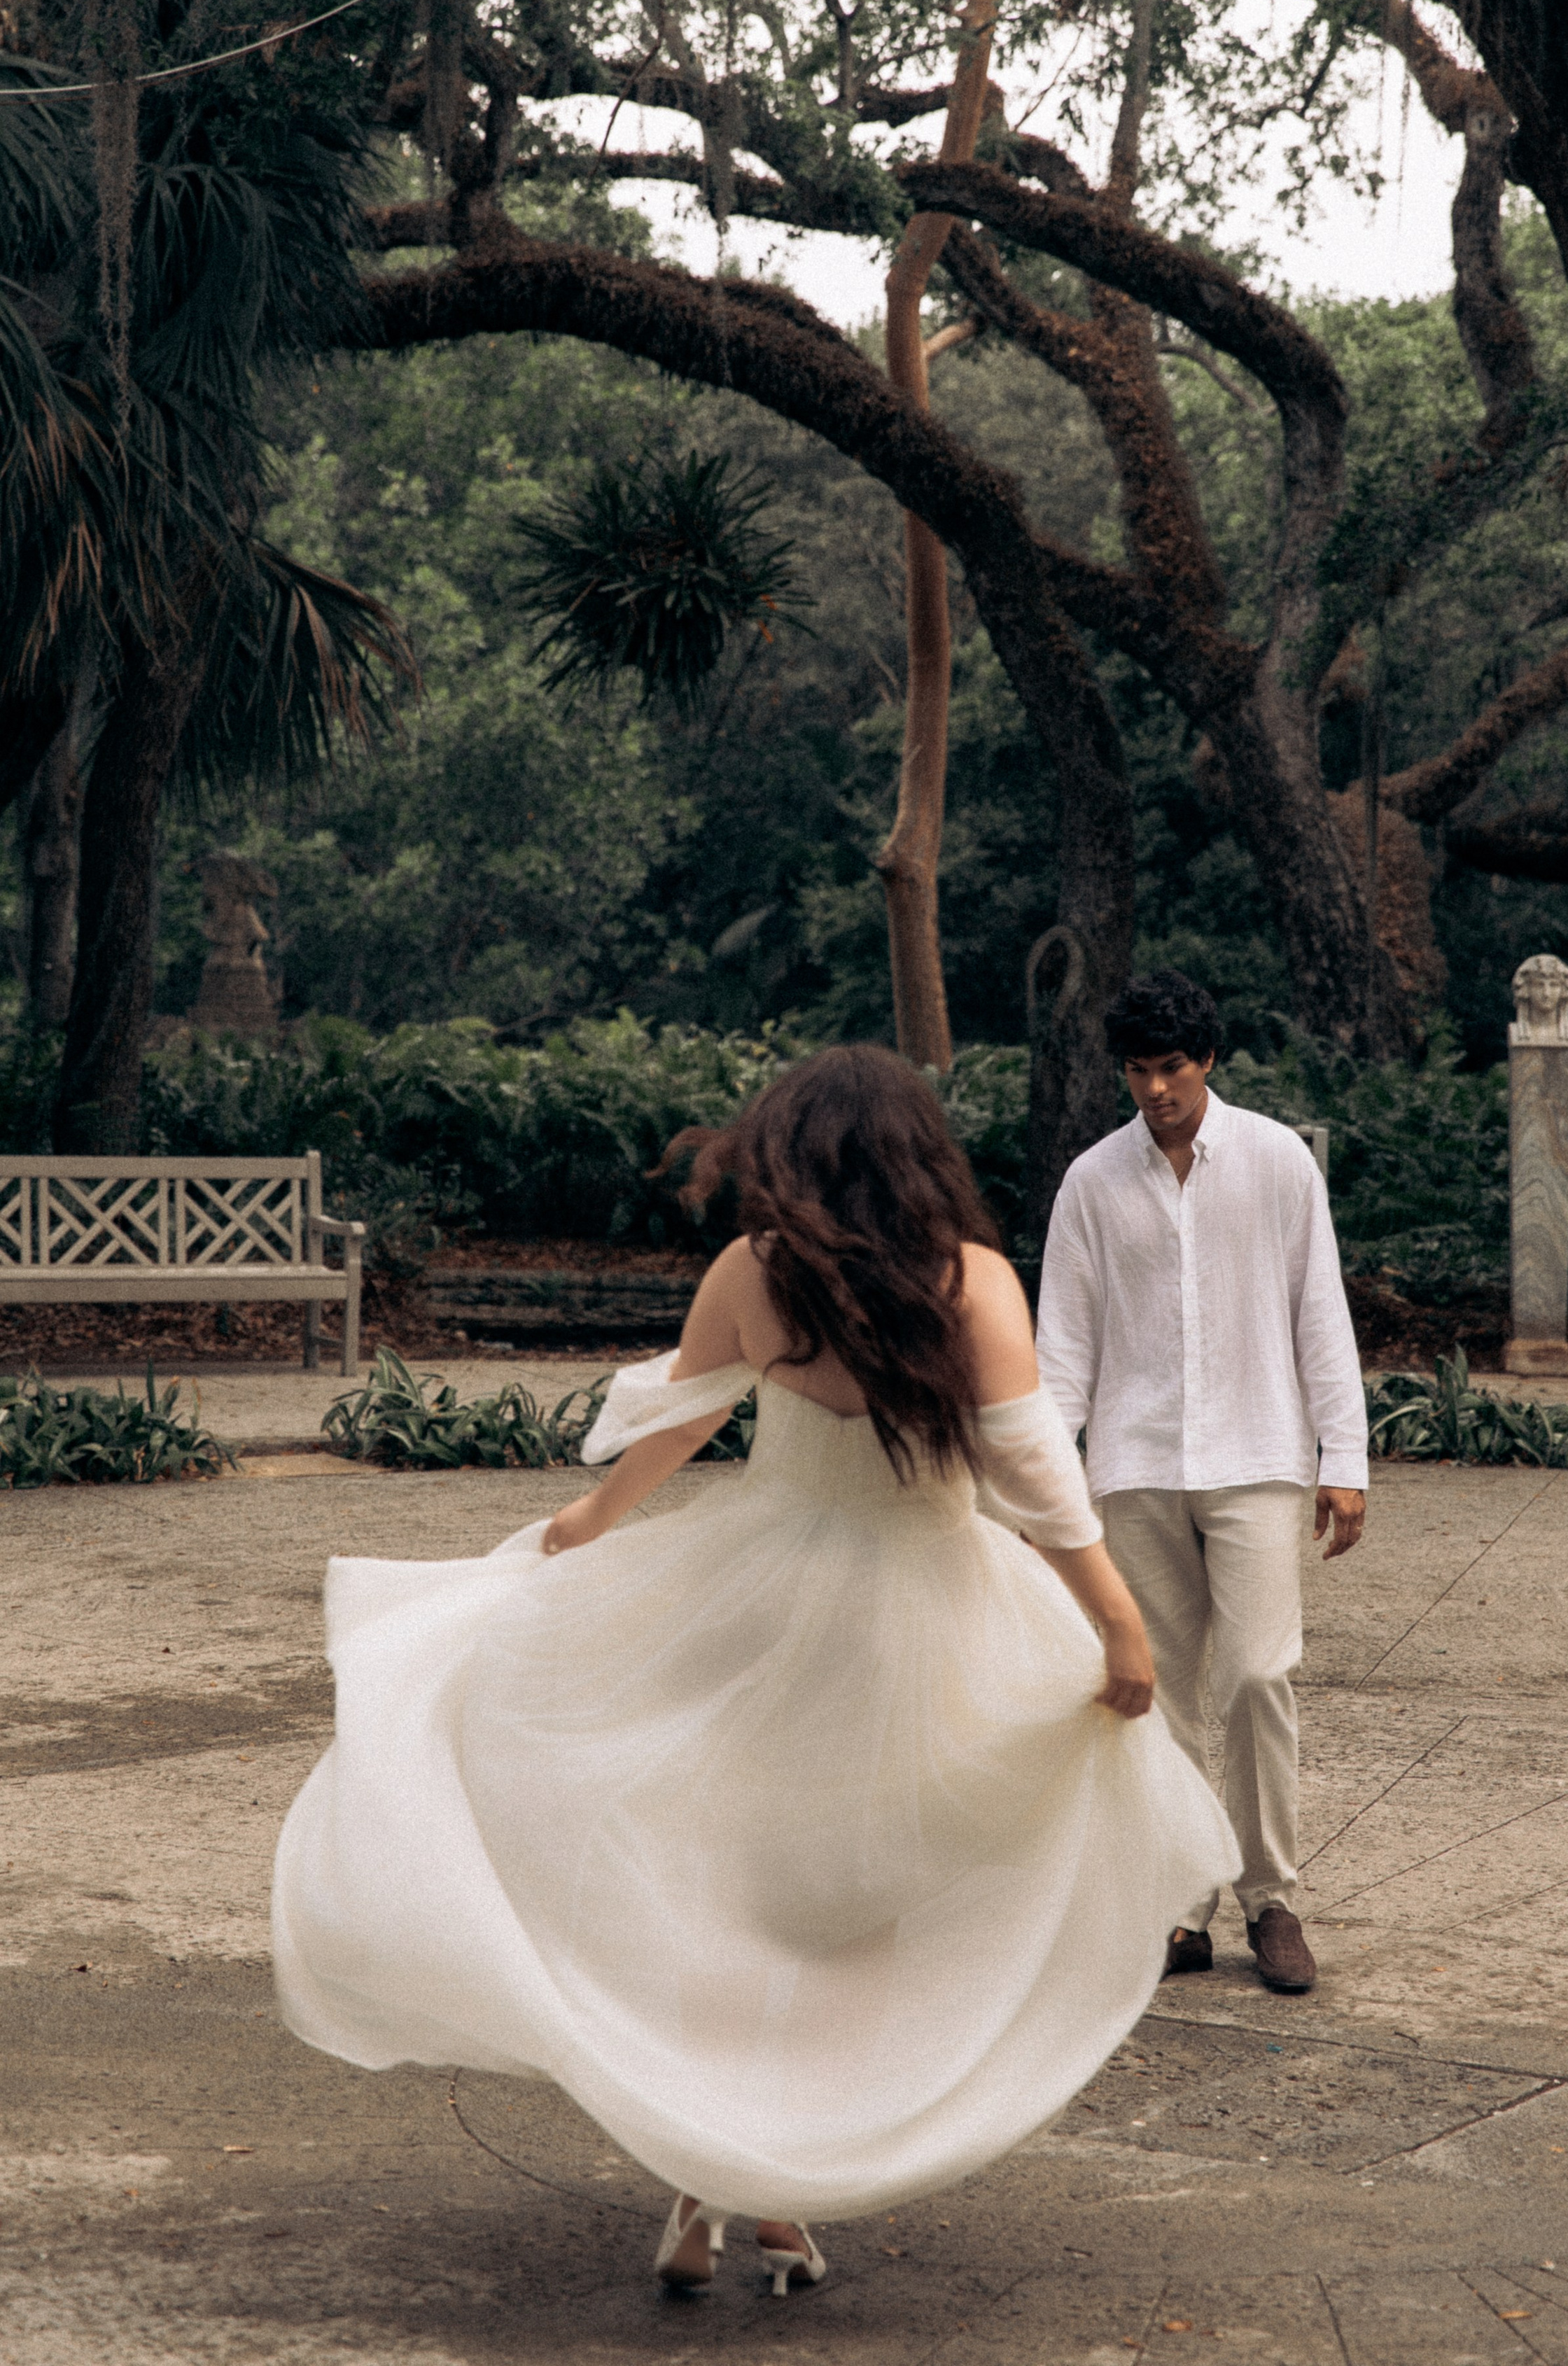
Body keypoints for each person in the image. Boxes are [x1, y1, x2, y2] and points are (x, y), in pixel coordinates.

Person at [273, 1044, 1238, 2297]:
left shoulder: (752, 1272)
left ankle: (706, 2184)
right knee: (863, 1912)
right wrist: (1120, 1626)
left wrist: (590, 1526)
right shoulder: (974, 1283)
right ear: (917, 1154)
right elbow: (1039, 1483)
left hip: (761, 1602)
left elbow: (682, 1420)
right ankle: (785, 2185)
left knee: (738, 1890)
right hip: (927, 1614)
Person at [1035, 972, 1367, 1996]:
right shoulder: (1093, 1181)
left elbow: (1321, 1309)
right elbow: (1062, 1351)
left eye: (1171, 1067)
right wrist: (1047, 1486)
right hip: (1135, 1467)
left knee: (1261, 1677)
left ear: (1207, 1060)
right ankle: (1181, 1909)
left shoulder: (1274, 1163)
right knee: (1157, 1695)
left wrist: (1343, 1460)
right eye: (1137, 1071)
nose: (1155, 1089)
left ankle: (1272, 1899)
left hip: (1260, 1454)